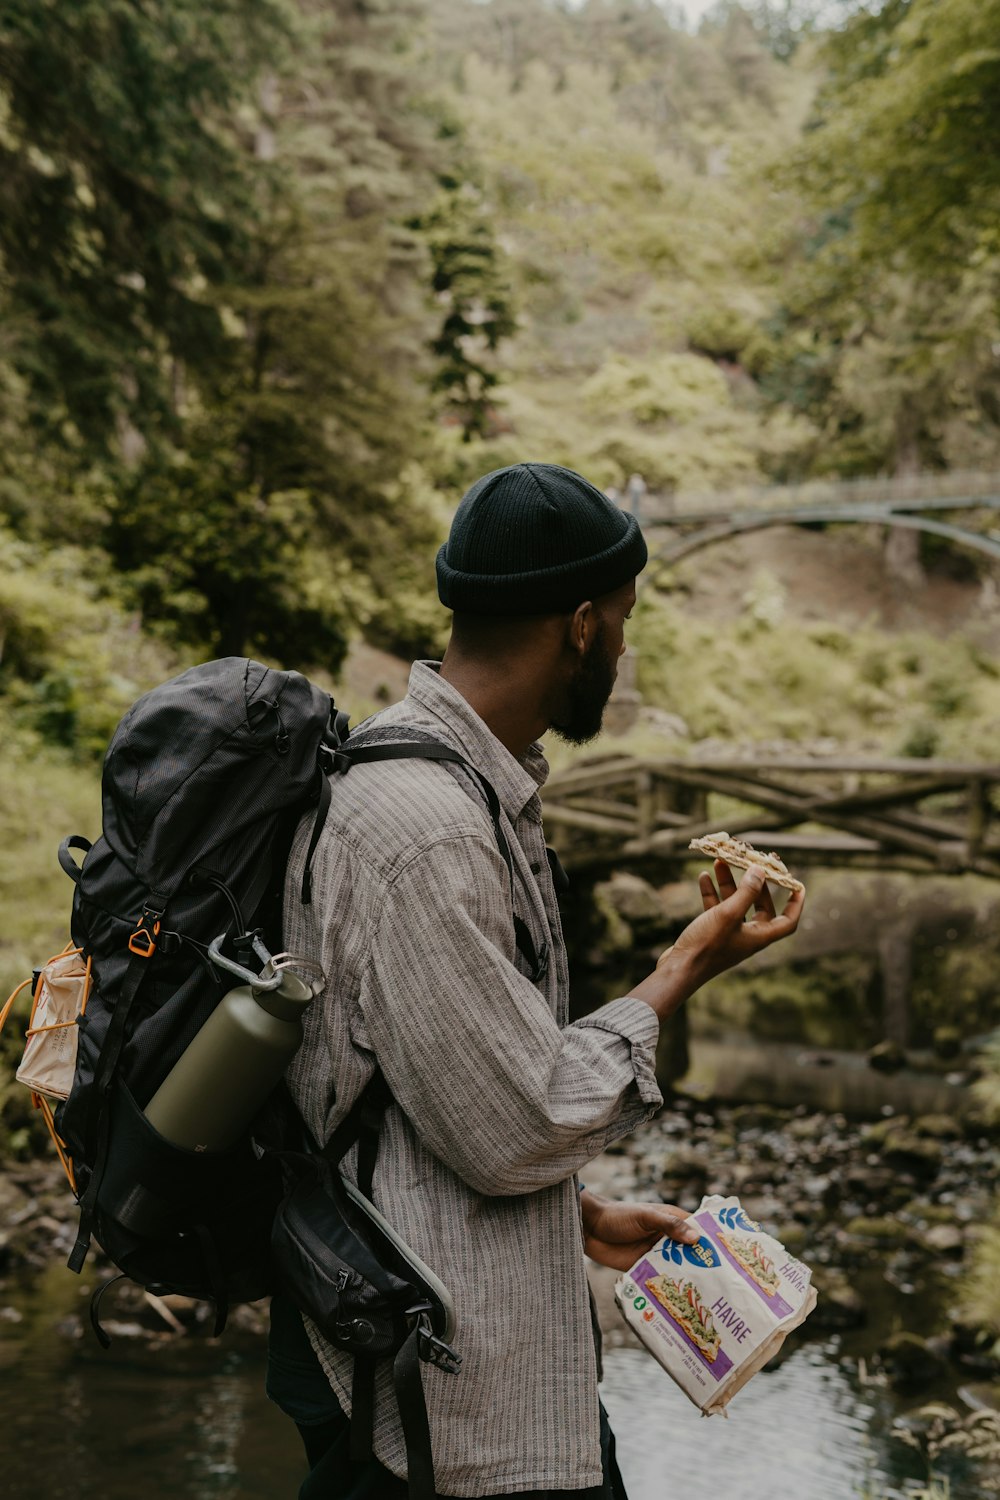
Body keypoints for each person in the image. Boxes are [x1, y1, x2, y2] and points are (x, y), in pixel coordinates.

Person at [267, 462, 805, 1498]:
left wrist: (580, 1216)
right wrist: (683, 964)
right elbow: (521, 1121)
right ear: (580, 626)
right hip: (432, 1395)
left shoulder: (447, 778)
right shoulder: (425, 830)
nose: (620, 641)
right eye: (622, 618)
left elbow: (419, 1079)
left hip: (445, 1334)